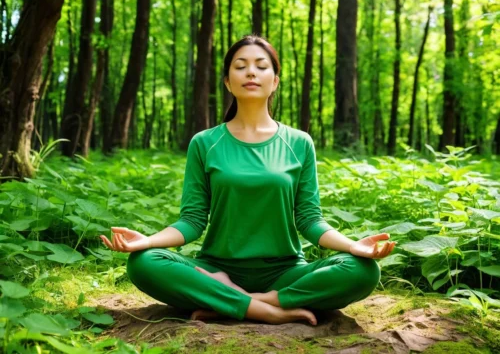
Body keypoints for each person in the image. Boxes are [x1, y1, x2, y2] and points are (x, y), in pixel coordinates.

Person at [100, 35, 396, 326]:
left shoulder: (299, 142)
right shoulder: (205, 143)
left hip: (284, 272)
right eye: (240, 66)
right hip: (216, 267)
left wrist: (352, 246)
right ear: (228, 82)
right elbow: (191, 221)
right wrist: (148, 241)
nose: (251, 72)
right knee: (143, 263)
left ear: (275, 81)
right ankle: (268, 309)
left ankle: (237, 301)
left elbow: (309, 219)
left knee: (364, 271)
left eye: (260, 65)